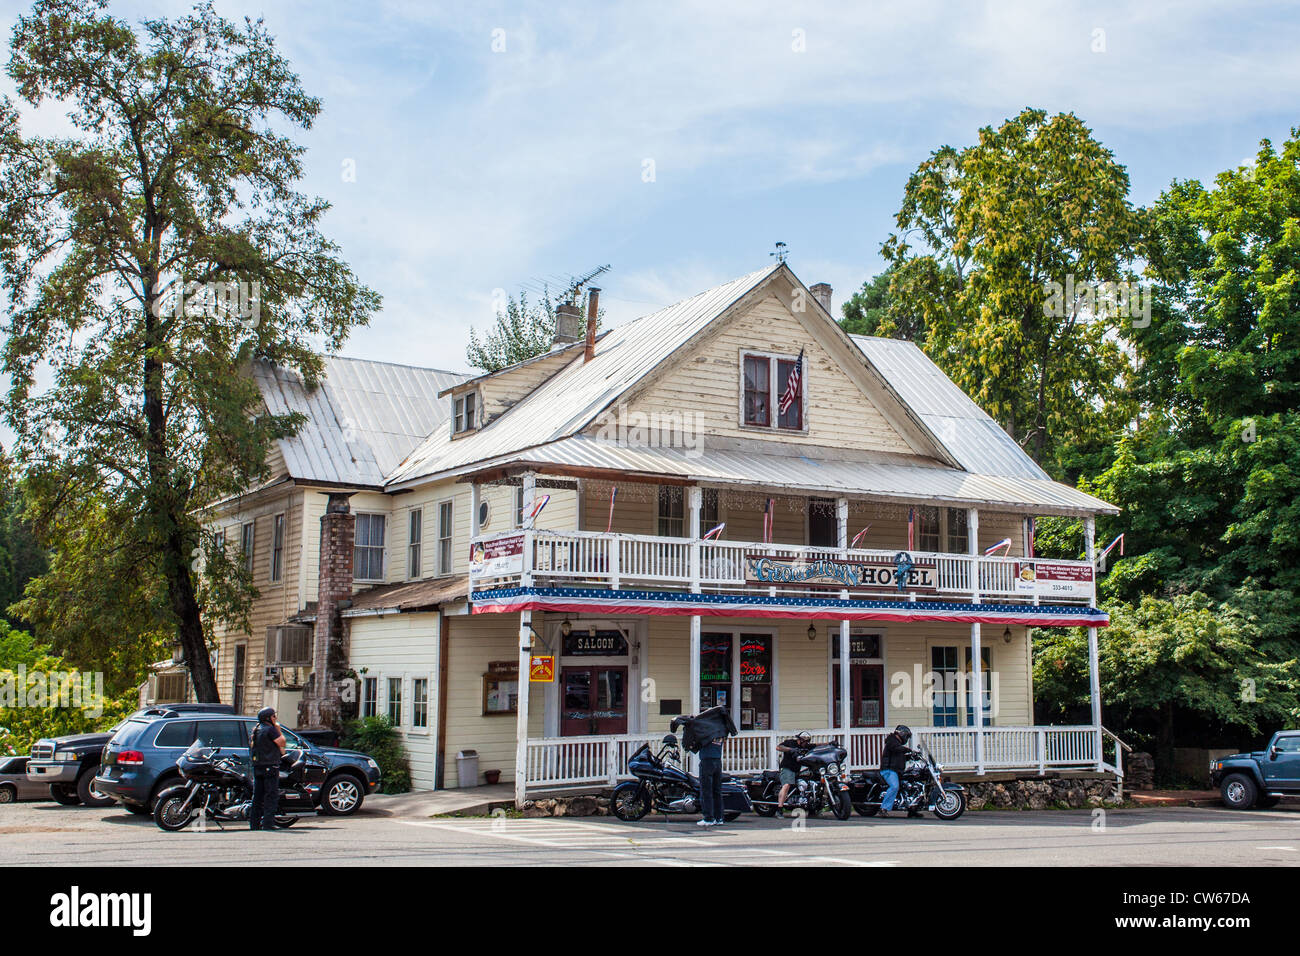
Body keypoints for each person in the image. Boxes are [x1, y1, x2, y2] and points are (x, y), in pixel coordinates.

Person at [249, 706, 286, 831]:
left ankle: (254, 824)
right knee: (271, 795)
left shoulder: (256, 729)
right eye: (274, 716)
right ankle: (268, 823)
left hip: (258, 766)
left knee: (257, 796)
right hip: (270, 765)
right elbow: (282, 742)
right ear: (268, 718)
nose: (275, 718)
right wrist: (278, 730)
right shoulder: (271, 729)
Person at [878, 725, 912, 818]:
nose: (906, 738)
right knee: (894, 786)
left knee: (908, 785)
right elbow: (896, 748)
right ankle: (883, 808)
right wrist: (908, 750)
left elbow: (900, 756)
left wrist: (912, 756)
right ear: (902, 734)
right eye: (906, 736)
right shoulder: (892, 741)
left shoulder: (897, 744)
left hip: (897, 771)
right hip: (888, 770)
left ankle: (912, 809)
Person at [775, 731, 812, 817]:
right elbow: (778, 747)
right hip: (788, 768)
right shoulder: (790, 743)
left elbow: (817, 745)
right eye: (804, 741)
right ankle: (779, 809)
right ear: (800, 740)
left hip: (798, 770)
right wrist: (791, 749)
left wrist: (830, 744)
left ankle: (812, 808)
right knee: (787, 785)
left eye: (807, 742)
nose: (806, 743)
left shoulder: (806, 746)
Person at [696, 729, 725, 827]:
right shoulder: (721, 730)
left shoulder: (706, 729)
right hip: (717, 760)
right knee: (717, 791)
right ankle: (719, 818)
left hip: (707, 760)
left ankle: (708, 818)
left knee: (706, 790)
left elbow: (696, 741)